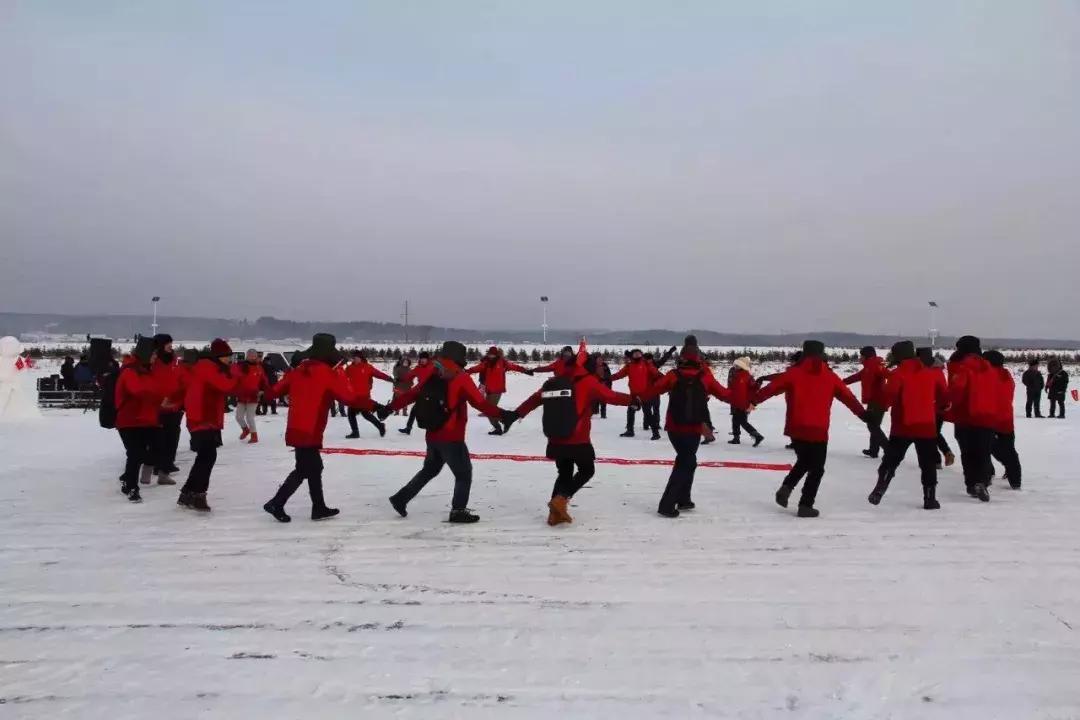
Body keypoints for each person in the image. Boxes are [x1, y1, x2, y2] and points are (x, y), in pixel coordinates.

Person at [381, 341, 515, 524]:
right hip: (452, 436)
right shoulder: (461, 377)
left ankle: (400, 498)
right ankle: (458, 510)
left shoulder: (432, 371)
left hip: (433, 432)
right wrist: (503, 415)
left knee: (429, 470)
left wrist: (389, 408)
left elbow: (412, 394)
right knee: (463, 473)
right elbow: (480, 404)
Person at [263, 335, 379, 523]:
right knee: (304, 470)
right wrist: (375, 406)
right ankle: (277, 502)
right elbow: (349, 398)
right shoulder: (328, 373)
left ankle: (318, 507)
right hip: (311, 429)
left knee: (314, 468)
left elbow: (273, 392)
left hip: (296, 427)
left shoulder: (298, 370)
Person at [511, 353, 634, 525]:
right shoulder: (588, 381)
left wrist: (516, 414)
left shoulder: (555, 382)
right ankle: (560, 501)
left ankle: (555, 514)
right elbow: (610, 396)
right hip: (577, 438)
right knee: (586, 470)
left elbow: (534, 400)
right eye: (599, 365)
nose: (602, 368)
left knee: (564, 473)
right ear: (590, 366)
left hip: (555, 437)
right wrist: (632, 400)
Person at [754, 340, 870, 518]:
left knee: (805, 461)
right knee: (816, 468)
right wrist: (864, 415)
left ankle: (786, 489)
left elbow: (771, 388)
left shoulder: (793, 373)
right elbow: (848, 398)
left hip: (796, 427)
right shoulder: (830, 376)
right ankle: (805, 504)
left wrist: (753, 401)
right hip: (818, 429)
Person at [637, 345, 732, 518]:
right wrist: (748, 400)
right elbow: (725, 394)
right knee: (685, 462)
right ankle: (667, 504)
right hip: (694, 428)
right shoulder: (705, 377)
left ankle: (683, 498)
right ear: (698, 358)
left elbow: (653, 390)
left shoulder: (673, 375)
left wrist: (635, 399)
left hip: (674, 427)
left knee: (688, 461)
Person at [867, 341, 948, 510]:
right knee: (928, 464)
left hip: (902, 426)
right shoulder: (931, 373)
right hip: (926, 426)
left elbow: (888, 397)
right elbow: (944, 397)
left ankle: (881, 486)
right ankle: (930, 498)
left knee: (891, 460)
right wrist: (939, 406)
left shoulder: (898, 374)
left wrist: (877, 408)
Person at [179, 339, 241, 512]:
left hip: (207, 418)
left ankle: (188, 493)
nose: (230, 360)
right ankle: (198, 495)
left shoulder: (211, 367)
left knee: (204, 458)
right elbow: (225, 385)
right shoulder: (207, 367)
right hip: (201, 419)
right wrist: (235, 372)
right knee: (207, 457)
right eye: (228, 357)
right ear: (219, 356)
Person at [113, 338, 164, 503]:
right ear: (145, 354)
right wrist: (158, 395)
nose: (155, 357)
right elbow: (138, 391)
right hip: (128, 421)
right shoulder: (130, 372)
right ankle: (132, 487)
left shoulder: (148, 371)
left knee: (140, 455)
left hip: (145, 420)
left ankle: (128, 482)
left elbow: (155, 391)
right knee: (136, 454)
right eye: (154, 354)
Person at [946, 335, 996, 502]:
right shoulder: (988, 367)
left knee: (968, 453)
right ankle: (983, 480)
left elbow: (957, 391)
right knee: (983, 452)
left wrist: (951, 404)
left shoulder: (963, 368)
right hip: (988, 417)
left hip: (966, 417)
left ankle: (972, 483)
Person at [466, 346, 532, 435]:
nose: (491, 356)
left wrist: (525, 371)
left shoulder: (502, 363)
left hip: (497, 390)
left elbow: (514, 367)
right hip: (488, 389)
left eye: (493, 355)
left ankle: (499, 426)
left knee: (489, 410)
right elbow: (475, 369)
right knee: (489, 410)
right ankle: (503, 421)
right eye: (490, 354)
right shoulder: (485, 363)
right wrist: (465, 372)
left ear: (496, 354)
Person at [843, 346, 891, 458]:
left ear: (866, 356)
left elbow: (890, 376)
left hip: (878, 401)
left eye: (862, 355)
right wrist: (839, 383)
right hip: (874, 401)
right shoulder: (868, 367)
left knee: (873, 426)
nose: (860, 358)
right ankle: (874, 450)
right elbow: (855, 377)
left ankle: (889, 450)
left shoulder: (875, 366)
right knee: (874, 425)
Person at [150, 334, 185, 482]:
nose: (171, 345)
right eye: (167, 343)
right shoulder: (152, 361)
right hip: (157, 406)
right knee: (159, 438)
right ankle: (158, 465)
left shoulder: (175, 360)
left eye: (171, 343)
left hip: (175, 405)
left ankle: (167, 464)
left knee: (173, 436)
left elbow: (179, 379)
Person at [985, 351, 1022, 489]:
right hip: (1006, 418)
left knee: (987, 448)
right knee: (1010, 449)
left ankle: (987, 475)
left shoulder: (987, 375)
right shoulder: (1007, 376)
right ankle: (1015, 479)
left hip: (990, 419)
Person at [611, 348, 662, 439]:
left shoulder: (646, 364)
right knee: (630, 412)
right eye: (635, 354)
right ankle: (630, 430)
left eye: (639, 354)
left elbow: (656, 373)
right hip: (634, 395)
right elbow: (619, 375)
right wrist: (607, 378)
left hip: (645, 394)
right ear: (632, 356)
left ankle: (656, 433)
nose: (638, 355)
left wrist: (664, 380)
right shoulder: (629, 366)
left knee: (648, 414)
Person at [919, 348, 955, 468]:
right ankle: (943, 455)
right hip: (939, 407)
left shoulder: (926, 371)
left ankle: (937, 459)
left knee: (930, 434)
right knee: (934, 433)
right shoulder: (938, 371)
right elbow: (944, 389)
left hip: (931, 407)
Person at [344, 349, 392, 438]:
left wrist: (389, 378)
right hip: (354, 396)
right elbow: (342, 377)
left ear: (361, 358)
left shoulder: (367, 367)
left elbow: (379, 374)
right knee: (361, 414)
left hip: (364, 395)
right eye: (354, 358)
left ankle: (357, 432)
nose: (355, 359)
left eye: (357, 357)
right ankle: (379, 426)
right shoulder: (349, 368)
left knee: (355, 413)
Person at [233, 349, 267, 444]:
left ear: (256, 356)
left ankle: (254, 435)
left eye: (253, 355)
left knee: (250, 417)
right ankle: (245, 429)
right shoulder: (241, 366)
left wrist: (262, 390)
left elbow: (264, 381)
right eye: (250, 355)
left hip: (253, 395)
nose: (252, 357)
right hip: (242, 395)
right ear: (246, 356)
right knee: (238, 417)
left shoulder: (259, 368)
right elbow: (234, 376)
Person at [728, 357, 764, 447]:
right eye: (735, 365)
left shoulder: (747, 376)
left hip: (743, 403)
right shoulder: (735, 374)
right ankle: (736, 438)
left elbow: (754, 387)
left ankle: (757, 436)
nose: (735, 366)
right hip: (735, 401)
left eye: (737, 365)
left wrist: (758, 383)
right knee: (735, 420)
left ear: (742, 366)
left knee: (742, 421)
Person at [398, 352, 435, 434]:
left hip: (433, 393)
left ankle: (435, 430)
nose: (422, 360)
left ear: (427, 359)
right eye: (421, 359)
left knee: (431, 412)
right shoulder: (418, 368)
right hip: (422, 393)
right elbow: (409, 376)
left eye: (424, 359)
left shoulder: (433, 367)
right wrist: (400, 380)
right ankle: (408, 428)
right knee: (414, 410)